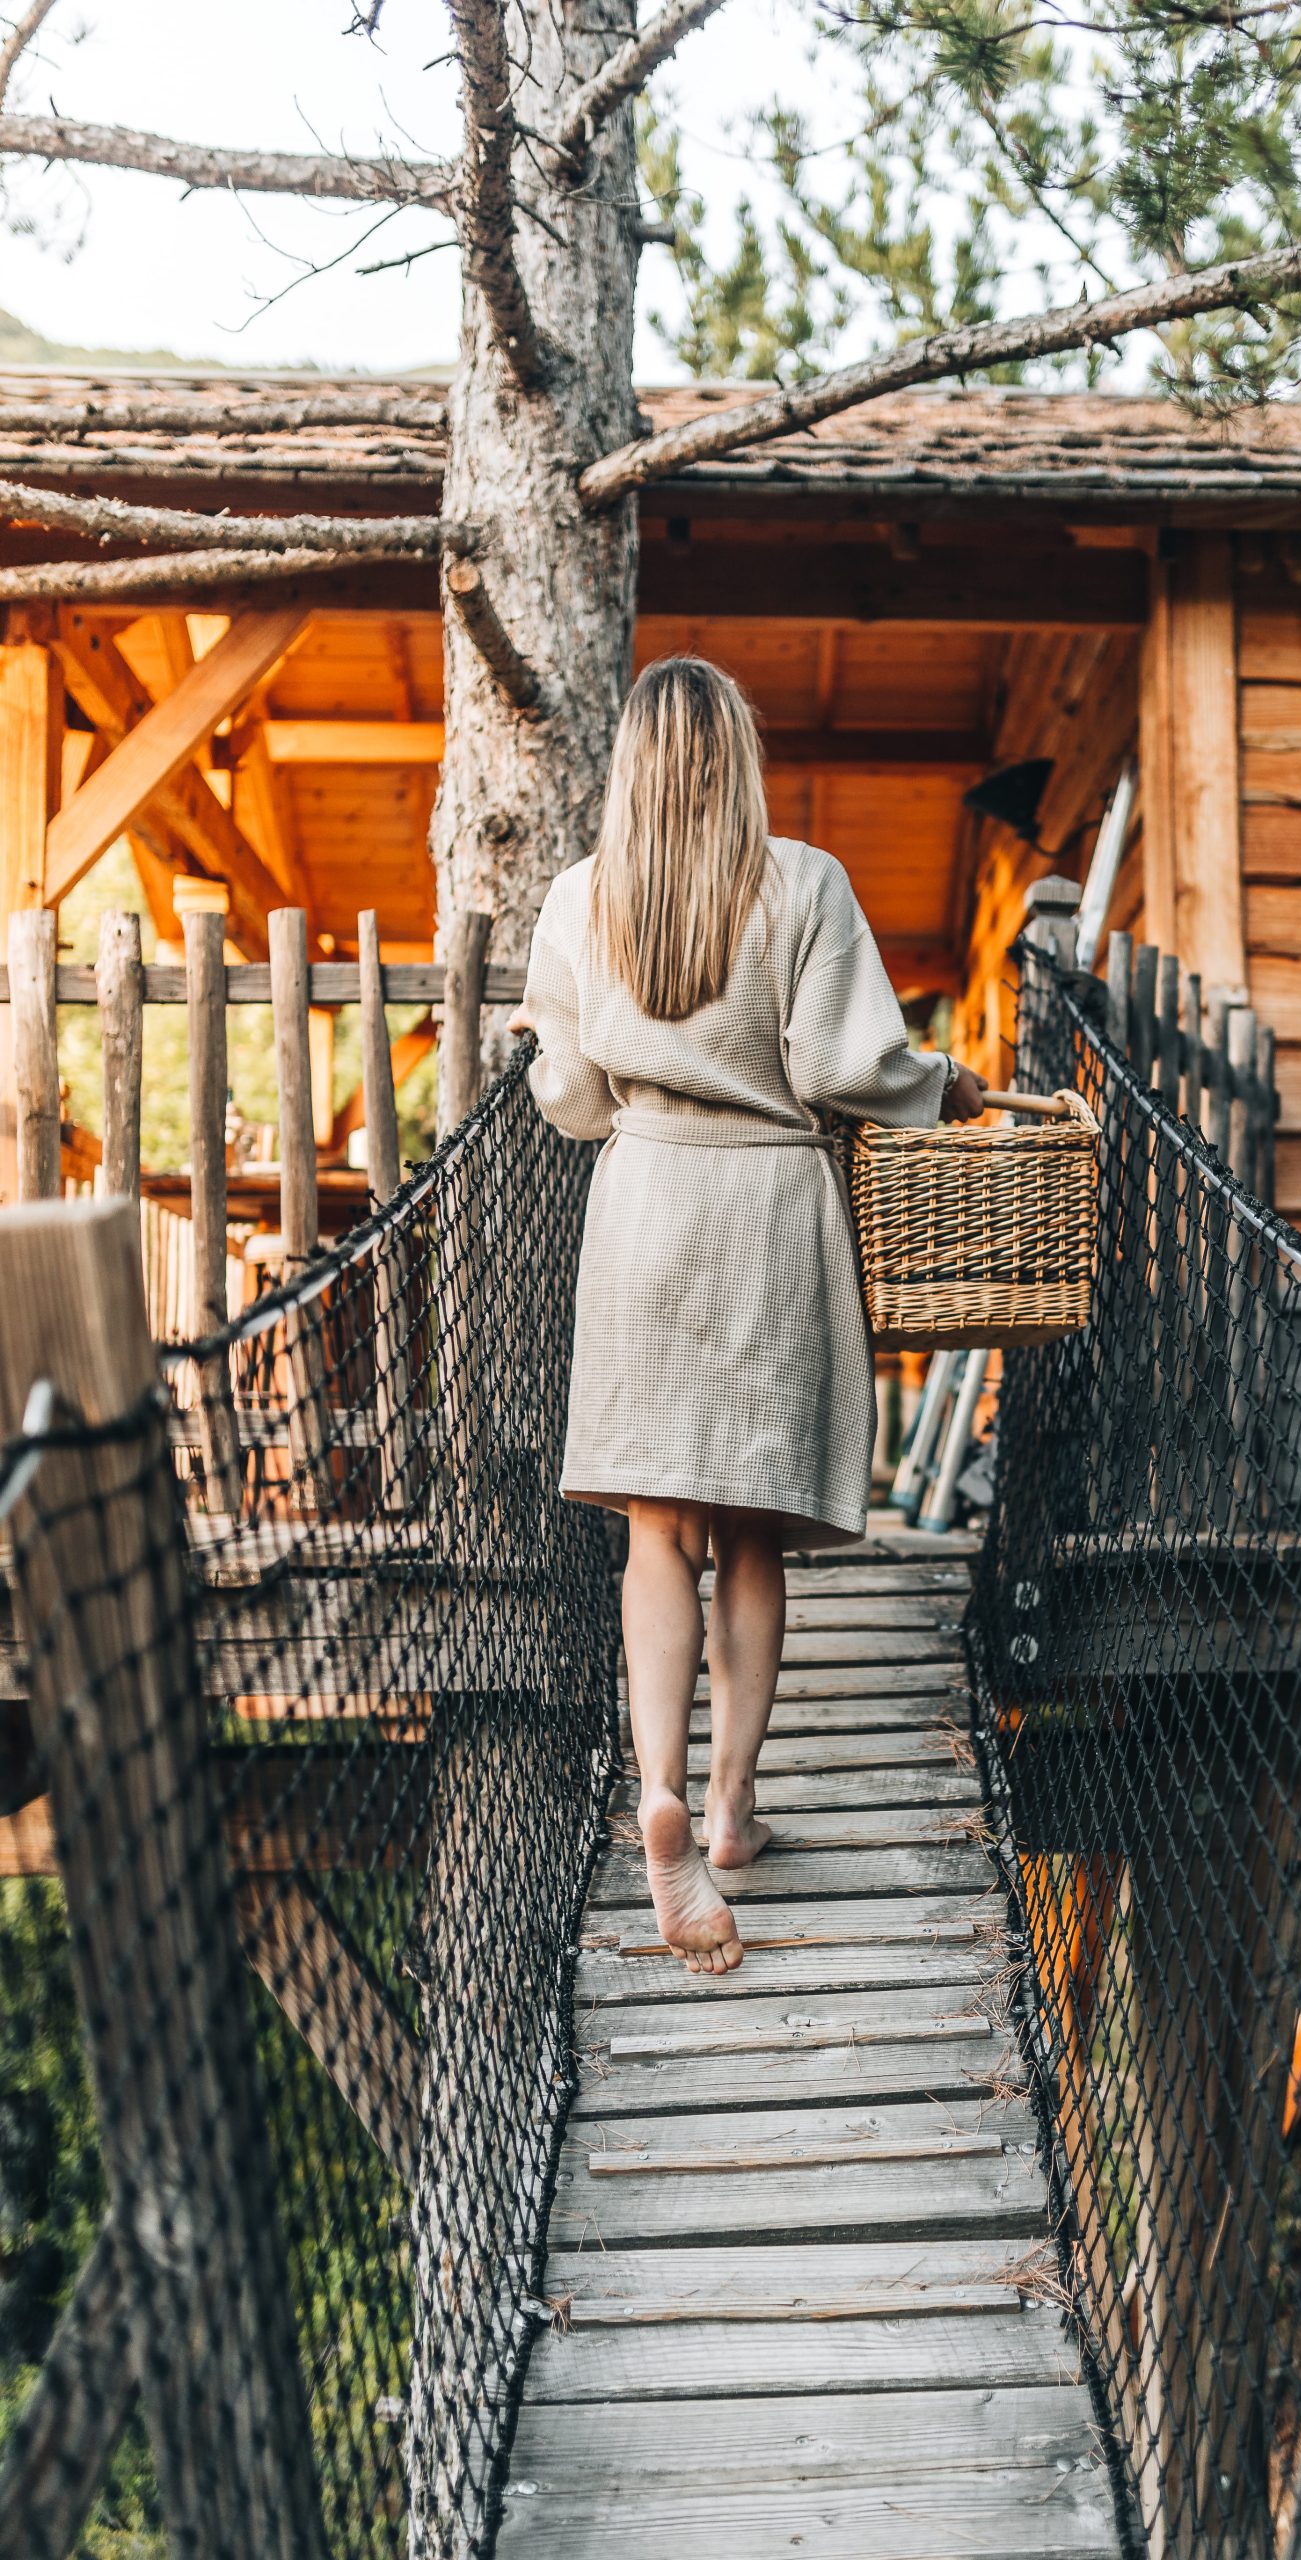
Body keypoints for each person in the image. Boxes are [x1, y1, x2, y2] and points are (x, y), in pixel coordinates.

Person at [515, 657, 987, 1976]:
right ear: (736, 757)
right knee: (753, 1530)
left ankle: (655, 1785)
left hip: (646, 1204)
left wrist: (617, 1102)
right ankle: (727, 1814)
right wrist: (940, 1084)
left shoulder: (578, 899)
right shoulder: (804, 882)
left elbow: (567, 1090)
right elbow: (847, 1066)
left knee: (656, 1530)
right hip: (771, 1211)